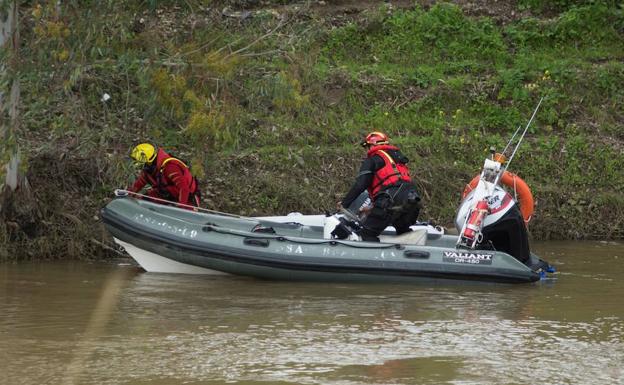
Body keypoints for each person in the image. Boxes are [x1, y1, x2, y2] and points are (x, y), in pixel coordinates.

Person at [339, 132, 421, 242]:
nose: (367, 150)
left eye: (367, 147)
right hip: (412, 199)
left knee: (367, 235)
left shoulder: (372, 160)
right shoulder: (397, 159)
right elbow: (396, 188)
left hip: (391, 199)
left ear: (372, 145)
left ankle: (372, 258)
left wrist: (344, 204)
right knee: (403, 231)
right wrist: (373, 208)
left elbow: (360, 185)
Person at [128, 143, 201, 208]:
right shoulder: (148, 171)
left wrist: (181, 207)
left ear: (148, 160)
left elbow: (184, 188)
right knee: (146, 197)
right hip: (167, 195)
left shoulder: (170, 167)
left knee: (181, 214)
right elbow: (138, 185)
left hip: (187, 199)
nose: (137, 164)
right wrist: (127, 195)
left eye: (139, 162)